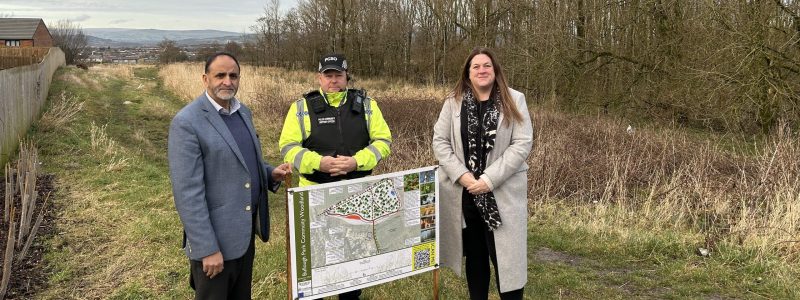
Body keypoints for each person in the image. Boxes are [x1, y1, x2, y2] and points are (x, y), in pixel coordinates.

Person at [168, 52, 292, 299]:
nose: (227, 81)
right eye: (220, 75)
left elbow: (245, 160)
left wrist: (270, 173)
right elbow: (187, 194)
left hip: (244, 237)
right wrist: (207, 249)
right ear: (205, 79)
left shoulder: (242, 112)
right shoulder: (187, 122)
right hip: (215, 245)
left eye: (233, 75)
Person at [278, 53, 392, 299]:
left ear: (346, 77)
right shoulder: (301, 108)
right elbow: (287, 147)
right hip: (315, 197)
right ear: (319, 78)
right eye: (327, 75)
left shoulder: (367, 105)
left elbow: (383, 141)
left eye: (338, 75)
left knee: (352, 266)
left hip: (356, 195)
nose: (333, 80)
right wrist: (318, 162)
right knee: (315, 266)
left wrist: (356, 162)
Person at [432, 47, 533, 300]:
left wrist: (488, 180)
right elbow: (440, 142)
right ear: (468, 73)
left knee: (506, 261)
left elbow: (522, 143)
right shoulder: (453, 102)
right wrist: (463, 176)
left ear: (495, 70)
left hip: (501, 194)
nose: (481, 70)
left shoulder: (514, 99)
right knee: (476, 257)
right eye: (475, 66)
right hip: (466, 195)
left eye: (486, 65)